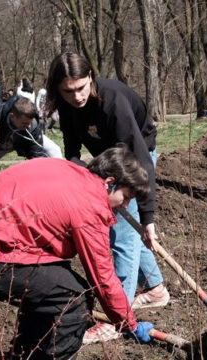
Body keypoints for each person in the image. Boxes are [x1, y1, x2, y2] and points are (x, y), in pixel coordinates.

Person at [0, 146, 156, 360]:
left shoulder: (67, 170)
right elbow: (103, 278)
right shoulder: (89, 205)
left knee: (54, 284)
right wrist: (129, 324)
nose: (124, 206)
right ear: (110, 183)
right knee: (73, 298)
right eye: (125, 197)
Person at [45, 52, 170, 344]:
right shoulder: (66, 106)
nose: (76, 96)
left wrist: (149, 218)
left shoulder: (112, 100)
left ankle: (118, 318)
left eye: (81, 88)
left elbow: (141, 158)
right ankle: (155, 289)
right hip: (106, 159)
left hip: (137, 155)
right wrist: (79, 176)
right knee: (126, 227)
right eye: (67, 91)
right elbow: (73, 149)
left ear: (91, 77)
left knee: (121, 232)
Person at [0, 96, 63, 198]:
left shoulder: (32, 125)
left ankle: (61, 188)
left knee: (55, 150)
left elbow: (36, 154)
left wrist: (40, 177)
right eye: (24, 123)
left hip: (21, 141)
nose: (28, 126)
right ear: (12, 116)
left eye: (29, 123)